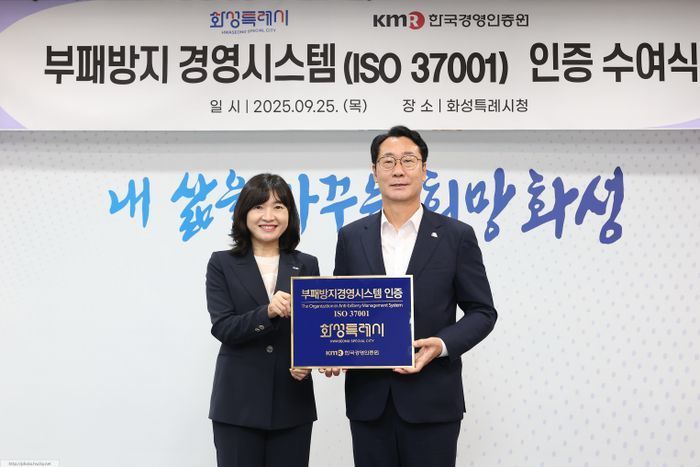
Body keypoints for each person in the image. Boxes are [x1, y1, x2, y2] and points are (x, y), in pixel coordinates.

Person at [324, 126, 498, 467]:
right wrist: (330, 349)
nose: (398, 170)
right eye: (388, 161)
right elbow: (340, 307)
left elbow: (482, 311)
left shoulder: (456, 235)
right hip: (369, 401)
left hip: (433, 399)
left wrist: (442, 345)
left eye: (408, 160)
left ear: (424, 169)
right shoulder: (351, 236)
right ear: (374, 172)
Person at [206, 173, 318, 467]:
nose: (269, 216)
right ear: (244, 213)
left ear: (289, 215)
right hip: (237, 405)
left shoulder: (306, 264)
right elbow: (223, 327)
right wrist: (267, 312)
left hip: (292, 403)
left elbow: (313, 330)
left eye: (278, 207)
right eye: (259, 207)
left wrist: (309, 361)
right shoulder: (222, 263)